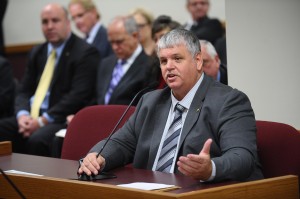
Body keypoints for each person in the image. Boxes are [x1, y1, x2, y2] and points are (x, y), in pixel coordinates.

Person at [78, 29, 264, 182]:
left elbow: (242, 156)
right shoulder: (150, 101)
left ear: (198, 61)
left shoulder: (229, 101)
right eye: (163, 61)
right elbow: (123, 142)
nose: (169, 66)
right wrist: (99, 157)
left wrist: (210, 169)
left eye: (177, 58)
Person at [0, 3, 100, 156]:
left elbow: (78, 96)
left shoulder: (85, 52)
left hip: (58, 118)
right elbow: (23, 90)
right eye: (45, 22)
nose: (50, 26)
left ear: (67, 22)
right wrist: (22, 115)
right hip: (30, 116)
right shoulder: (37, 51)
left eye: (55, 20)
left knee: (37, 140)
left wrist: (41, 121)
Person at [51, 15, 153, 158]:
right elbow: (97, 99)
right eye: (111, 42)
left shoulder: (150, 65)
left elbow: (145, 107)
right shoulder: (106, 63)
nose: (115, 47)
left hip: (125, 131)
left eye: (119, 41)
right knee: (58, 140)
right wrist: (80, 116)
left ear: (135, 36)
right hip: (99, 126)